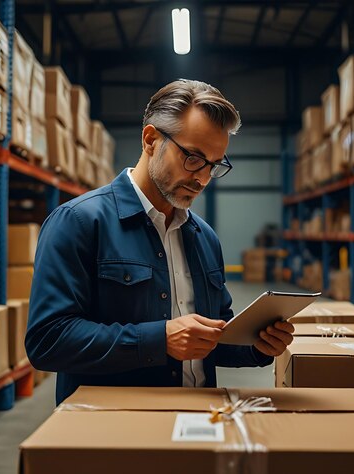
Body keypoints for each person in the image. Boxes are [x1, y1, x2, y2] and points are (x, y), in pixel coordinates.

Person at [26, 79, 295, 404]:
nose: (202, 178)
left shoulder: (204, 238)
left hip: (199, 423)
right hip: (115, 433)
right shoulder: (79, 222)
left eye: (214, 165)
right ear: (151, 139)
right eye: (193, 158)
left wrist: (256, 345)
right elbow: (47, 341)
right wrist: (158, 340)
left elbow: (214, 337)